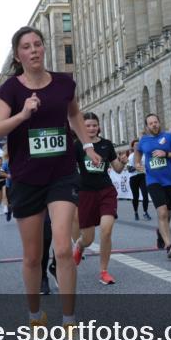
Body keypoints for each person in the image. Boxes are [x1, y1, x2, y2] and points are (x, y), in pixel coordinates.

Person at [0, 25, 102, 340]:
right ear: (18, 55)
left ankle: (70, 326)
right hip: (26, 178)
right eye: (27, 47)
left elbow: (74, 114)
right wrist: (23, 114)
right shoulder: (10, 90)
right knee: (32, 257)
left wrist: (87, 144)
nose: (34, 50)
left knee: (64, 249)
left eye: (38, 44)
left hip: (61, 174)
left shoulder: (64, 83)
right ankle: (36, 319)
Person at [70, 112, 126, 285]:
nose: (91, 128)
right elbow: (69, 169)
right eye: (87, 125)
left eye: (94, 125)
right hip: (86, 194)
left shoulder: (107, 144)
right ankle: (79, 245)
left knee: (106, 230)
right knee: (88, 239)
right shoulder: (77, 146)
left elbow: (116, 168)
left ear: (98, 126)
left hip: (106, 191)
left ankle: (104, 271)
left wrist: (122, 161)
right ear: (82, 127)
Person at [135, 114, 171, 259]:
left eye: (156, 122)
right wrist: (137, 163)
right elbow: (137, 151)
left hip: (170, 181)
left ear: (159, 123)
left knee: (168, 214)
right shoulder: (143, 141)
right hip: (153, 180)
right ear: (147, 126)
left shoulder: (168, 137)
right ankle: (169, 246)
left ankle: (161, 233)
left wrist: (165, 153)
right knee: (162, 213)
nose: (154, 125)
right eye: (150, 123)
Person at [127, 139, 152, 221]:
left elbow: (149, 166)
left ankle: (145, 212)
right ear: (133, 147)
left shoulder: (144, 155)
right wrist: (136, 167)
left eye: (138, 144)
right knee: (135, 196)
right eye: (135, 145)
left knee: (145, 194)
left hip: (142, 176)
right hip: (133, 177)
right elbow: (129, 169)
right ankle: (136, 212)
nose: (137, 146)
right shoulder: (130, 156)